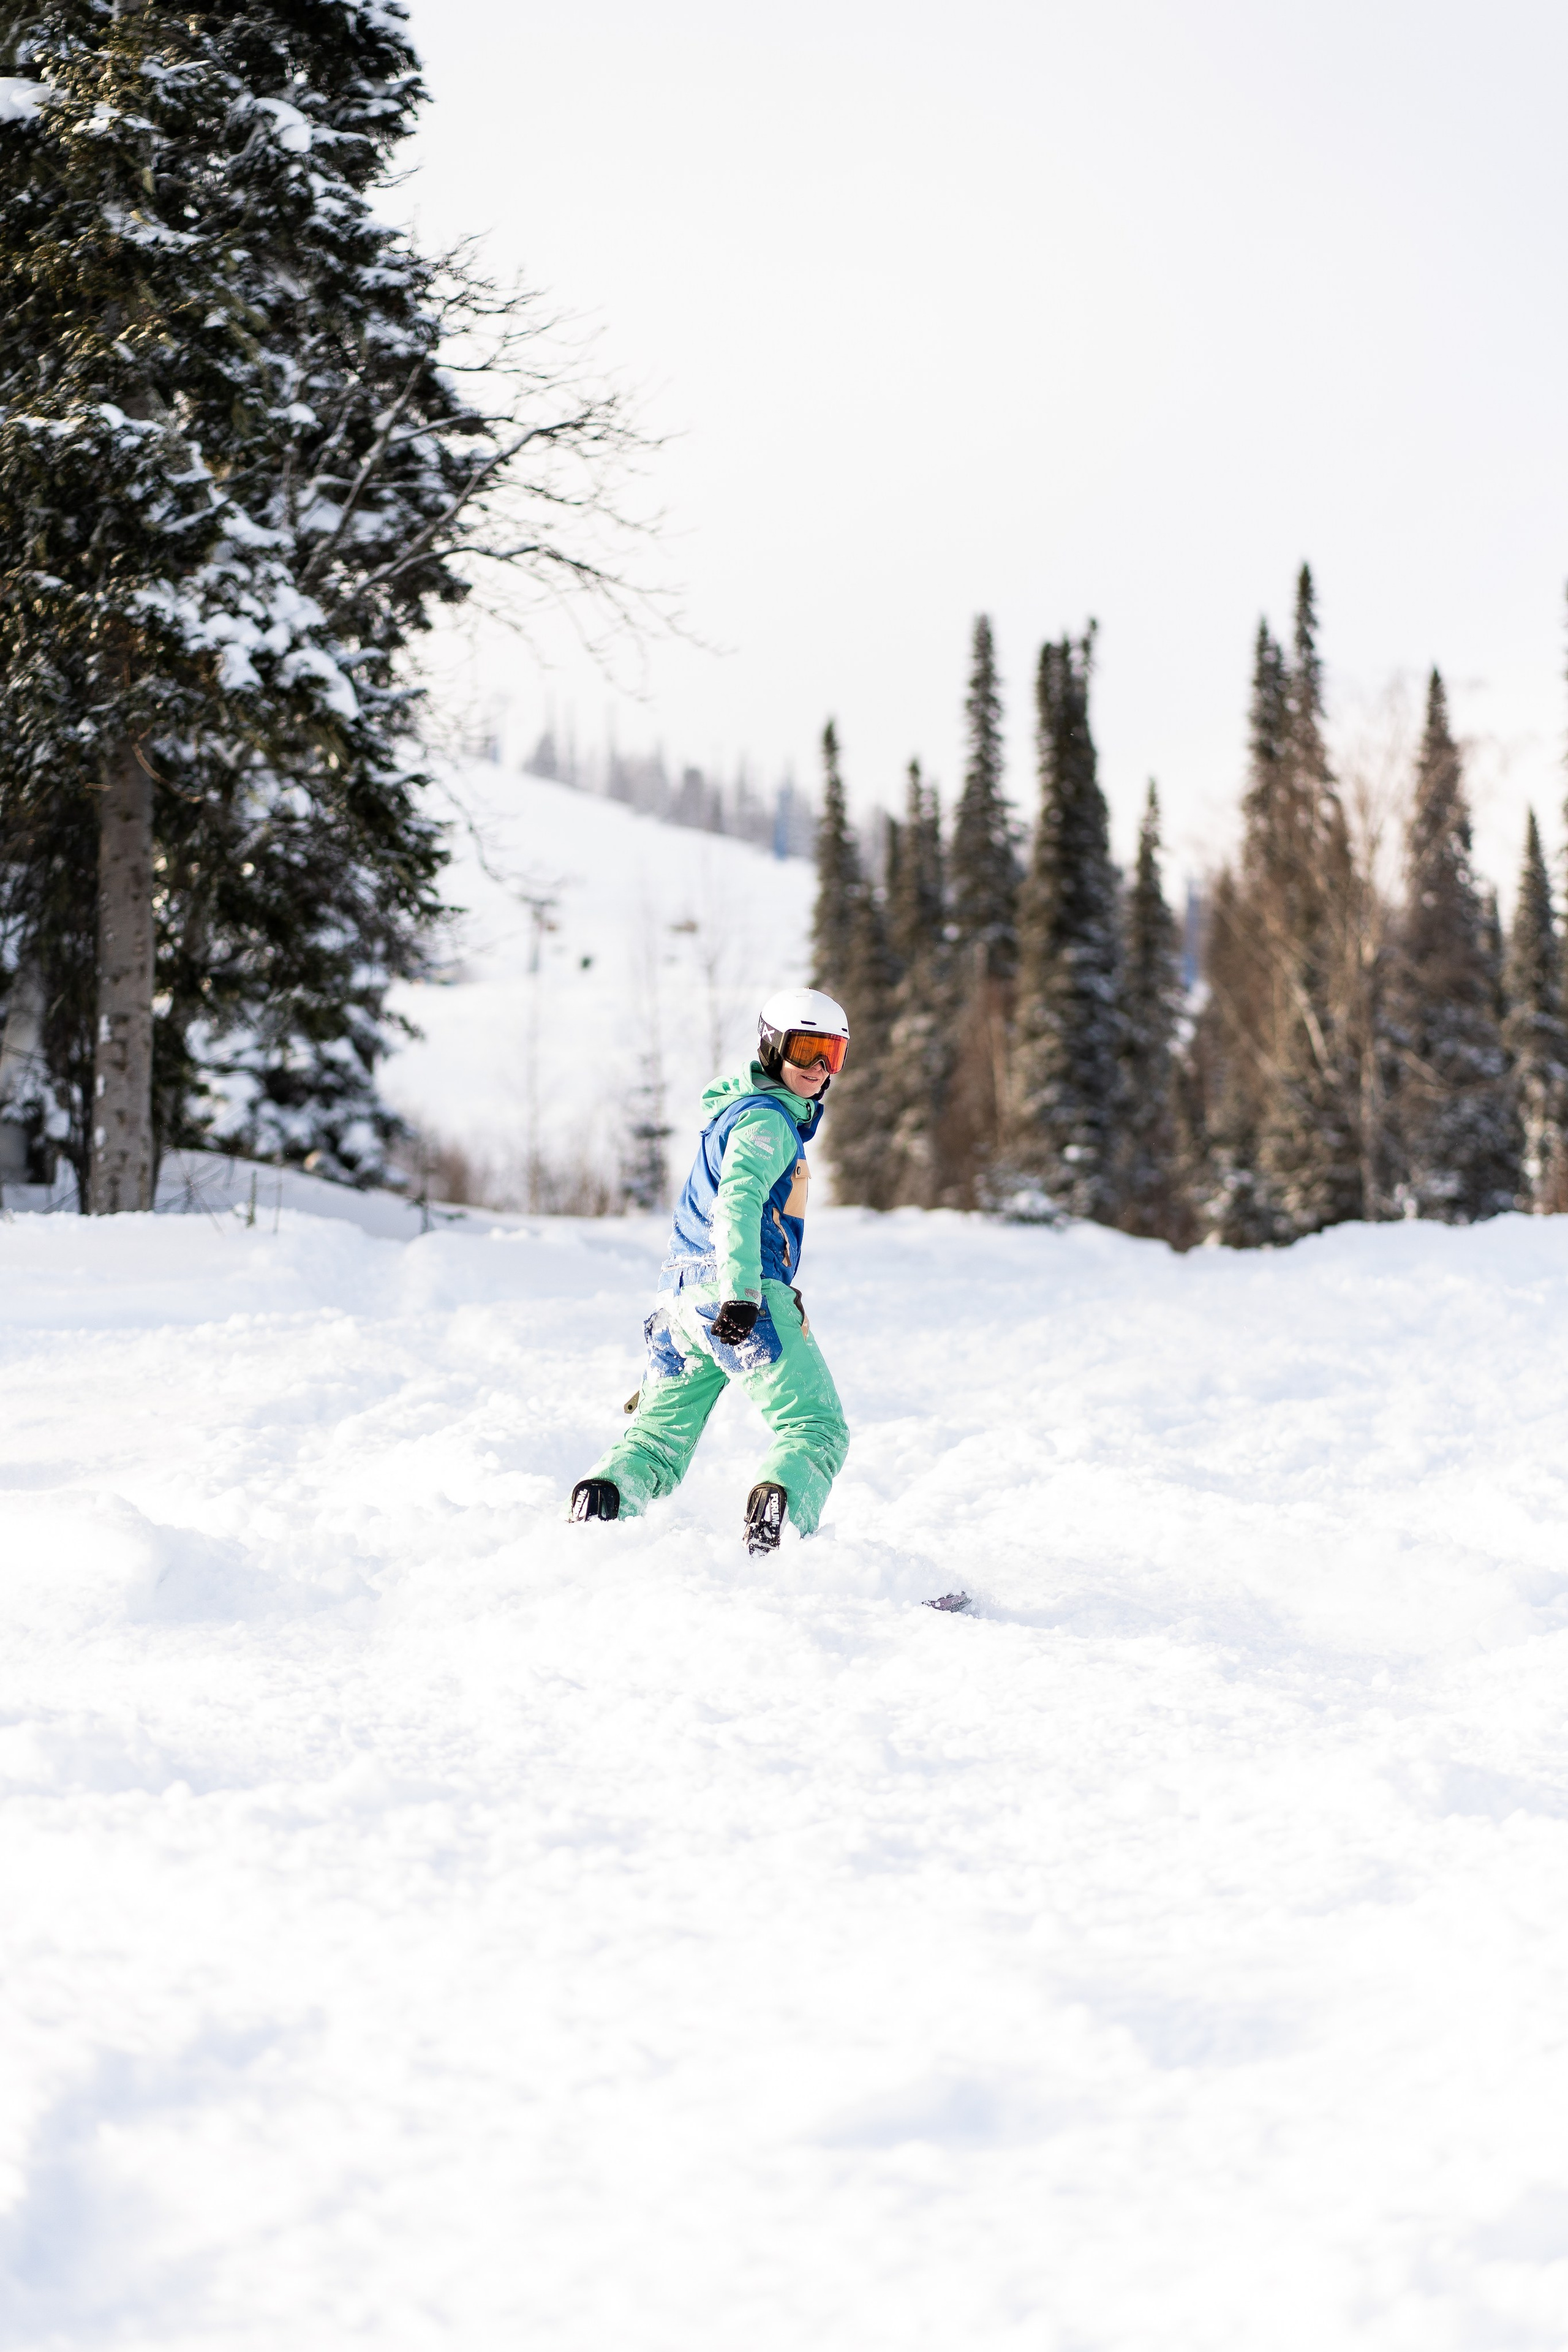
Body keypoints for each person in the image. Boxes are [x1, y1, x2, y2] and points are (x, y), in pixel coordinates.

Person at [570, 987, 852, 1553]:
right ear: (772, 1048)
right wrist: (744, 1294)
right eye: (806, 1050)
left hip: (680, 1305)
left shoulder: (735, 1114)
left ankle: (602, 1503)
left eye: (834, 1054)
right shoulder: (768, 1122)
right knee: (815, 1428)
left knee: (657, 1438)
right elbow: (738, 1200)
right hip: (736, 1295)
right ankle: (777, 1535)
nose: (820, 1070)